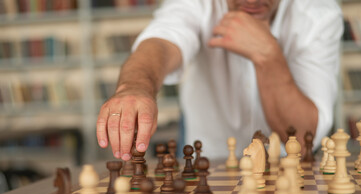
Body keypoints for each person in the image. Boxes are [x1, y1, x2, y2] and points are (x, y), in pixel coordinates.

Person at [96, 0, 343, 160]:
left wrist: (268, 54)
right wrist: (135, 86)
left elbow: (303, 137)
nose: (253, 1)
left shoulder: (319, 13)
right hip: (206, 159)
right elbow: (160, 42)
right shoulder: (194, 4)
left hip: (284, 167)